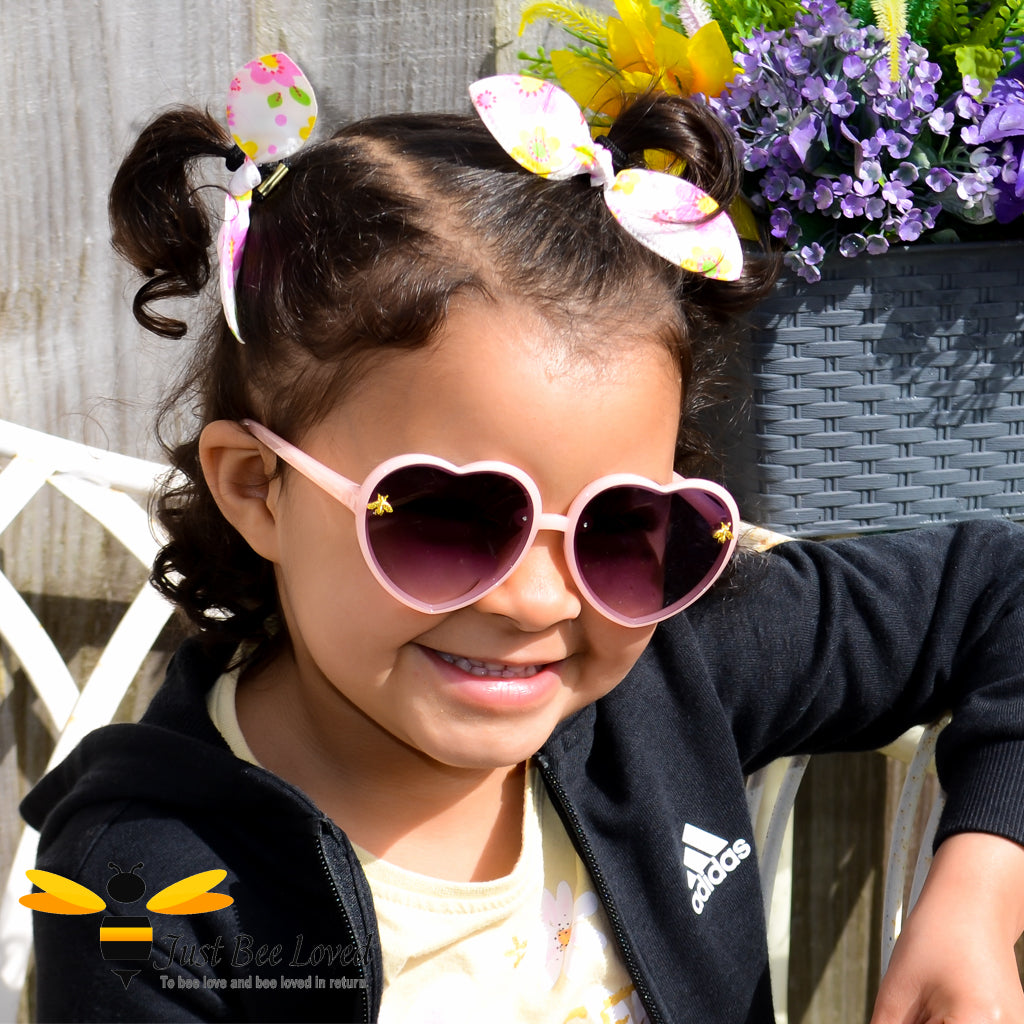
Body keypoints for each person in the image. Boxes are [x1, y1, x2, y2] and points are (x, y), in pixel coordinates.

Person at [21, 53, 1024, 1024]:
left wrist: (980, 886)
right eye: (452, 516)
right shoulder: (149, 885)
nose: (541, 600)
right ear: (259, 487)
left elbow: (1003, 597)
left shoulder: (671, 666)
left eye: (624, 524)